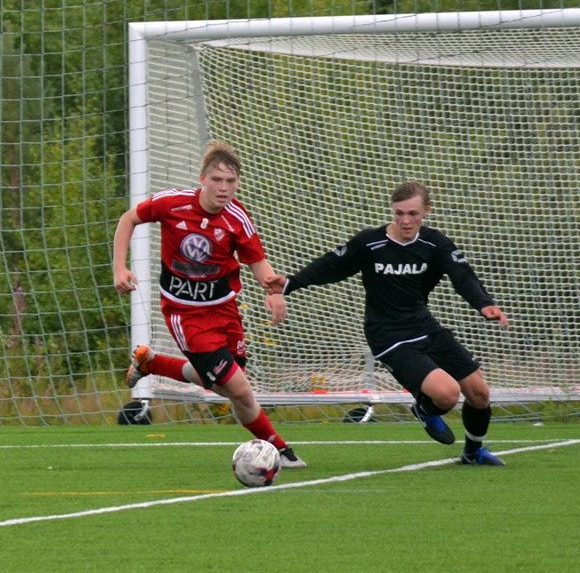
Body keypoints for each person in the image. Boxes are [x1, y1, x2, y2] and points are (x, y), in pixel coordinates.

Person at [264, 181, 508, 466]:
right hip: (388, 335)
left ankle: (473, 452)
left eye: (413, 213)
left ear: (426, 211)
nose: (406, 220)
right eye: (399, 213)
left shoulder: (434, 243)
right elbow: (331, 265)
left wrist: (484, 303)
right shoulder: (370, 243)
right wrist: (290, 283)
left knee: (479, 392)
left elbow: (462, 275)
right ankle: (424, 408)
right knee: (447, 394)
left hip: (424, 326)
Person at [113, 139, 307, 468]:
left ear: (238, 183)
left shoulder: (237, 217)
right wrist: (120, 267)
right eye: (217, 179)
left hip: (224, 309)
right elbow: (128, 219)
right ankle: (279, 450)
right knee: (239, 390)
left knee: (223, 383)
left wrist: (273, 291)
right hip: (185, 313)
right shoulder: (172, 203)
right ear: (202, 178)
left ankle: (152, 363)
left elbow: (256, 261)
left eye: (230, 181)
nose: (223, 187)